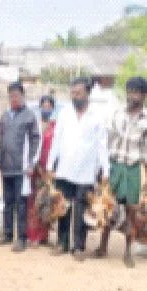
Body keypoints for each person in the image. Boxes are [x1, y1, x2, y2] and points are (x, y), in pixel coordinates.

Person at [47, 77, 110, 261]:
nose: (75, 97)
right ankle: (62, 243)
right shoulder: (64, 113)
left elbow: (102, 145)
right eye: (72, 93)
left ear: (87, 93)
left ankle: (79, 247)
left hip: (86, 171)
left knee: (82, 210)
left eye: (79, 93)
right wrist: (51, 165)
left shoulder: (97, 116)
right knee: (62, 207)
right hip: (65, 169)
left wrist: (105, 170)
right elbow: (56, 140)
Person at [94, 76, 147, 267]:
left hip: (133, 169)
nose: (131, 95)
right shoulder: (117, 115)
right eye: (129, 91)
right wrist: (103, 168)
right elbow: (106, 142)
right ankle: (102, 247)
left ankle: (127, 252)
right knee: (109, 207)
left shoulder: (146, 120)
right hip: (115, 166)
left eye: (135, 92)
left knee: (132, 211)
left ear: (143, 95)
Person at [0, 82, 41, 252]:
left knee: (21, 205)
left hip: (22, 169)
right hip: (6, 167)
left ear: (22, 96)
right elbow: (1, 142)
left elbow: (36, 140)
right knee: (8, 203)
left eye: (17, 95)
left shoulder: (29, 116)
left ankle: (21, 238)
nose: (14, 98)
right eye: (11, 96)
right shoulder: (5, 116)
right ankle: (7, 234)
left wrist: (31, 164)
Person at [26, 95, 57, 247]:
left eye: (49, 106)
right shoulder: (35, 125)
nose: (46, 109)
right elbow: (33, 148)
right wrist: (38, 168)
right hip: (37, 171)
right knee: (34, 203)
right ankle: (34, 236)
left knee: (48, 203)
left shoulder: (56, 126)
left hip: (51, 171)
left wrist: (51, 170)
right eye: (43, 106)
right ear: (40, 108)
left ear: (53, 108)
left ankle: (44, 236)